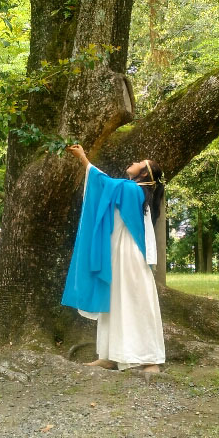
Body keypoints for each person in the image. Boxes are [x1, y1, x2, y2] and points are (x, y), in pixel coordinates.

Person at [61, 145, 165, 373]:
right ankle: (110, 356)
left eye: (139, 162)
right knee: (114, 301)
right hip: (119, 254)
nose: (133, 162)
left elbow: (104, 183)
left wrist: (83, 158)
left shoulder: (133, 190)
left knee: (136, 301)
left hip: (131, 257)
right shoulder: (131, 189)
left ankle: (150, 359)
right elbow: (108, 186)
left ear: (144, 173)